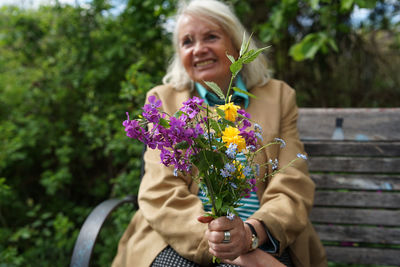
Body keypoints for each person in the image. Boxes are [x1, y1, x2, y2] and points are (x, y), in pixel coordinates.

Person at [112, 0, 327, 266]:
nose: (199, 49)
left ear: (235, 43)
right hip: (177, 235)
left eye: (211, 37)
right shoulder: (162, 100)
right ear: (179, 53)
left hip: (264, 235)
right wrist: (227, 247)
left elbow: (292, 185)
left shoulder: (279, 96)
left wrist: (250, 235)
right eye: (187, 42)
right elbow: (160, 192)